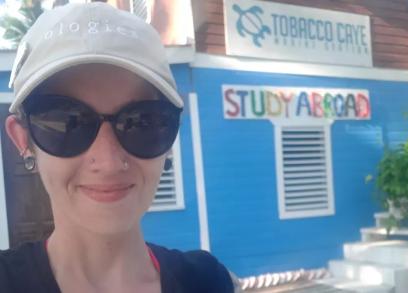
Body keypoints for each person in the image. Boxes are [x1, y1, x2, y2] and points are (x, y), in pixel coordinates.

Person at [0, 2, 234, 293]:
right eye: (67, 122)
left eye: (143, 122)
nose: (109, 162)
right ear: (23, 140)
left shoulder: (206, 282)